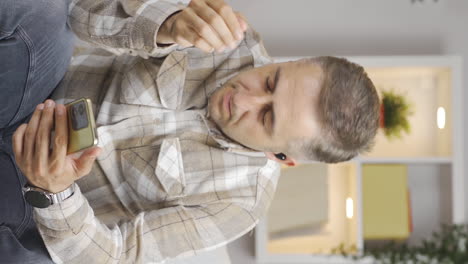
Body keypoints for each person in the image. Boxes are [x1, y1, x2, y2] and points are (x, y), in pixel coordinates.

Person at [0, 0, 380, 263]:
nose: (243, 100)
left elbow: (116, 255)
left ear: (283, 158)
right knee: (43, 9)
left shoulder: (239, 206)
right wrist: (163, 24)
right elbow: (80, 14)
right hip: (31, 90)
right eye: (270, 80)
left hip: (32, 198)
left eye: (266, 118)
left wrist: (55, 192)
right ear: (289, 62)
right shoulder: (231, 39)